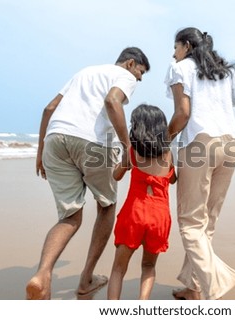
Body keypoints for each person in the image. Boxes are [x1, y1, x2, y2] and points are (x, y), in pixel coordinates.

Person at [26, 47, 150, 300]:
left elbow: (49, 109)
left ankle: (42, 274)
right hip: (92, 144)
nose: (139, 79)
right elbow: (112, 101)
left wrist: (40, 151)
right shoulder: (123, 75)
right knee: (106, 206)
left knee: (70, 217)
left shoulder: (85, 72)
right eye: (140, 72)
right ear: (129, 63)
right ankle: (86, 279)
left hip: (55, 140)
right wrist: (127, 147)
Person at [164, 27, 235, 300]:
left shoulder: (180, 68)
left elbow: (183, 113)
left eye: (176, 47)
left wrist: (163, 141)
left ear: (187, 46)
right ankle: (194, 287)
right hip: (231, 146)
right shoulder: (227, 73)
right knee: (207, 222)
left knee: (190, 223)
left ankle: (216, 283)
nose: (173, 53)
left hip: (201, 144)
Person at [107, 104, 176, 300]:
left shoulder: (133, 152)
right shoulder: (168, 154)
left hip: (134, 213)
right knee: (148, 266)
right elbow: (172, 179)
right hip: (159, 216)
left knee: (118, 269)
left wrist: (124, 165)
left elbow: (116, 175)